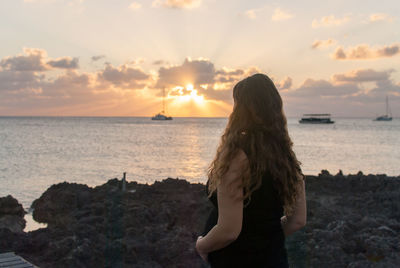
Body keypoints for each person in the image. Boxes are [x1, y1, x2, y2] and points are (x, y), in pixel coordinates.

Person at [195, 73, 306, 267]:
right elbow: (298, 221)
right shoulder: (285, 155)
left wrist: (202, 246)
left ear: (241, 109)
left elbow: (229, 231)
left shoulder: (237, 156)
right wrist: (266, 236)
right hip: (274, 260)